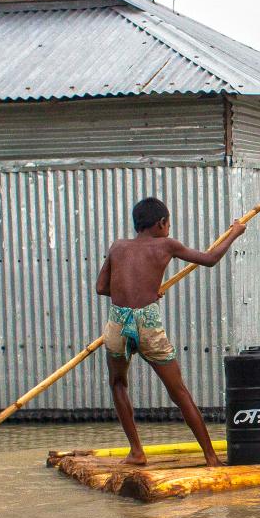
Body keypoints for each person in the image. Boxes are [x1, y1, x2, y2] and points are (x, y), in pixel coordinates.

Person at [96, 197, 246, 466]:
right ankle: (211, 457)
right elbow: (210, 259)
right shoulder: (167, 244)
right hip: (147, 322)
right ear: (161, 223)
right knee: (178, 391)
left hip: (117, 322)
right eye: (169, 223)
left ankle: (136, 452)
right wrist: (234, 232)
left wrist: (139, 291)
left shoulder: (118, 246)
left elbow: (101, 288)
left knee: (118, 384)